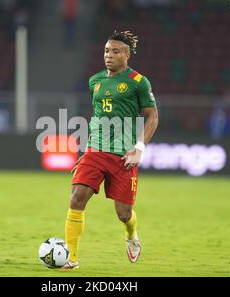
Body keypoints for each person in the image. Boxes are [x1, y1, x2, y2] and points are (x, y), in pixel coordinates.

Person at [61, 30, 159, 269]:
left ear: (126, 55)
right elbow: (100, 115)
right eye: (106, 50)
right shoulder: (95, 81)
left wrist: (138, 147)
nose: (109, 55)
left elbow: (153, 117)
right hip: (95, 151)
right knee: (76, 197)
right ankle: (71, 258)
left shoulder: (139, 82)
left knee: (124, 214)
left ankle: (131, 236)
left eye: (115, 51)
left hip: (124, 156)